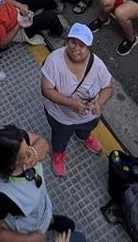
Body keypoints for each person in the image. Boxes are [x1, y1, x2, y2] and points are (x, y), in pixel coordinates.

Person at [0, 125, 86, 242]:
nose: (31, 152)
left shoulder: (11, 140)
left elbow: (42, 143)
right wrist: (29, 239)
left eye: (29, 147)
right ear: (12, 164)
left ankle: (48, 221)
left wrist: (34, 151)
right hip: (27, 229)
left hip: (41, 210)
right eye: (25, 155)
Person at [40, 23, 114, 177]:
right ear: (67, 41)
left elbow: (108, 88)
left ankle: (84, 136)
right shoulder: (54, 60)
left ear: (88, 48)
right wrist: (71, 103)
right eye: (73, 42)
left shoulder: (98, 66)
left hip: (89, 116)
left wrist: (99, 103)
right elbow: (46, 90)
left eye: (82, 45)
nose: (76, 48)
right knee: (60, 138)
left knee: (86, 129)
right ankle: (58, 154)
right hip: (61, 116)